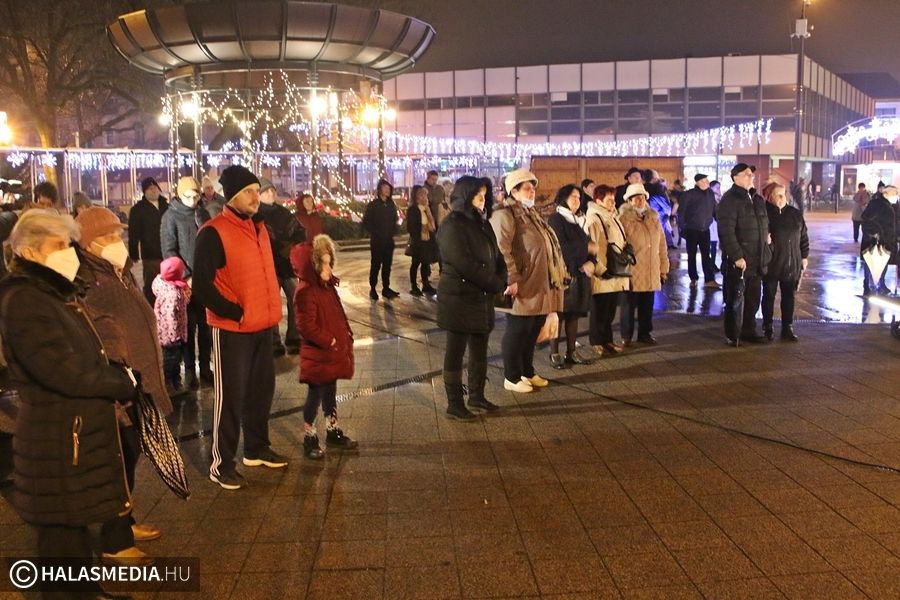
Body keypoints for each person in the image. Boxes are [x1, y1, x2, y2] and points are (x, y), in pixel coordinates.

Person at [0, 210, 140, 592]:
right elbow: (62, 370)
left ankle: (86, 590)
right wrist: (120, 382)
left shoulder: (52, 293)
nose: (68, 252)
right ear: (29, 251)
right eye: (59, 245)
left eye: (68, 243)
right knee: (60, 533)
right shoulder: (25, 301)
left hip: (69, 431)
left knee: (73, 526)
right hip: (55, 436)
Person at [76, 206, 171, 566]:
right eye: (109, 236)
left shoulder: (119, 272)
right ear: (89, 243)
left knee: (129, 456)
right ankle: (114, 540)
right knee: (116, 459)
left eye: (118, 233)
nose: (118, 240)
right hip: (117, 384)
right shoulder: (88, 279)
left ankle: (126, 522)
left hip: (137, 381)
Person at [193, 165, 287, 490]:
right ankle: (221, 464)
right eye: (249, 191)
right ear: (232, 195)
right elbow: (201, 286)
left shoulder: (259, 228)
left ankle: (257, 448)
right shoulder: (213, 232)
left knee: (261, 392)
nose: (255, 197)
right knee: (230, 397)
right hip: (233, 329)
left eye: (257, 191)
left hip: (262, 325)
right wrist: (234, 312)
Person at [436, 176, 507, 420]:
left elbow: (497, 255)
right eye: (478, 195)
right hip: (459, 297)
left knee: (479, 349)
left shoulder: (482, 223)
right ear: (466, 195)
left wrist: (502, 277)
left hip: (481, 298)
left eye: (485, 195)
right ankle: (455, 403)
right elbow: (463, 263)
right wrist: (494, 282)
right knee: (455, 351)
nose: (483, 199)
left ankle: (477, 395)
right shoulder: (452, 225)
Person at [491, 168, 566, 394]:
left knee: (532, 329)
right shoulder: (505, 214)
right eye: (526, 188)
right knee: (518, 329)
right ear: (513, 191)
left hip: (540, 281)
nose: (532, 192)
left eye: (533, 188)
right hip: (523, 282)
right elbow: (501, 248)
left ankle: (527, 371)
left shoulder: (531, 213)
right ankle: (511, 376)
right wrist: (512, 277)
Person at [291, 234, 357, 459]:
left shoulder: (326, 287)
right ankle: (309, 436)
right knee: (315, 396)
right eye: (325, 264)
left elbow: (338, 313)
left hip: (331, 354)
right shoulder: (306, 291)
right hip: (318, 355)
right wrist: (329, 340)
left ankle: (332, 429)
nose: (329, 269)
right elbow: (305, 325)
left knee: (330, 392)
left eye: (330, 263)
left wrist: (346, 333)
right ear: (313, 267)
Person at [161, 176, 213, 389]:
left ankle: (206, 367)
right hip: (186, 283)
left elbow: (211, 242)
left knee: (206, 326)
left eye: (195, 196)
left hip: (206, 279)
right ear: (179, 195)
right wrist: (185, 276)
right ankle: (190, 370)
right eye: (188, 197)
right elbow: (169, 250)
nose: (192, 201)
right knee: (188, 328)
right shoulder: (170, 217)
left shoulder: (202, 213)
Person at [718, 163, 772, 345]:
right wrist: (736, 256)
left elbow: (764, 223)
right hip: (740, 260)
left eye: (751, 174)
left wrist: (767, 241)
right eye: (747, 174)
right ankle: (733, 334)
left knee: (753, 298)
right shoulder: (730, 200)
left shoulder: (756, 199)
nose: (751, 177)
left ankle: (749, 330)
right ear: (736, 178)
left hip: (757, 258)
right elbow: (726, 232)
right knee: (735, 298)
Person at [547, 184, 595, 368]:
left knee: (574, 315)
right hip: (564, 274)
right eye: (573, 197)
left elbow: (592, 246)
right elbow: (561, 247)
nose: (577, 200)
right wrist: (586, 250)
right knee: (559, 314)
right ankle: (554, 353)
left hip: (581, 274)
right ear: (564, 198)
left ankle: (571, 352)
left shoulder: (580, 220)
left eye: (579, 197)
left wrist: (592, 261)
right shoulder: (556, 219)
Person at [258, 177, 306, 356]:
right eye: (266, 191)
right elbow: (262, 239)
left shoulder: (284, 213)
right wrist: (280, 248)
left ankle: (294, 337)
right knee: (272, 304)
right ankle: (273, 341)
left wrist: (291, 245)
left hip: (288, 265)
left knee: (296, 301)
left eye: (272, 190)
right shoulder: (256, 215)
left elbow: (300, 231)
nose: (271, 193)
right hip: (269, 265)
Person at [618, 184, 669, 345]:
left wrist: (663, 268)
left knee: (647, 305)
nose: (640, 200)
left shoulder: (653, 218)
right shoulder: (623, 219)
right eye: (636, 198)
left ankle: (645, 333)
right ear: (629, 201)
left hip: (651, 269)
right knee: (628, 306)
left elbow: (662, 245)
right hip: (632, 269)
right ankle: (626, 336)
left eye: (642, 197)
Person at [761, 183, 809, 342]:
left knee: (789, 297)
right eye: (779, 195)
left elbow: (803, 237)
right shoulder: (764, 214)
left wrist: (804, 256)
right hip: (772, 263)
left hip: (791, 263)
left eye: (784, 194)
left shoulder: (794, 214)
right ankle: (767, 326)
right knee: (769, 296)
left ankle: (787, 327)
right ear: (770, 197)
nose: (783, 198)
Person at [586, 184, 630, 356]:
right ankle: (596, 342)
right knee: (599, 309)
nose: (613, 203)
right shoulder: (594, 219)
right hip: (603, 272)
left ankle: (607, 340)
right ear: (598, 201)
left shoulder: (613, 217)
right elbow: (591, 248)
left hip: (615, 270)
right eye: (609, 200)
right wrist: (600, 269)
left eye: (613, 199)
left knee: (610, 310)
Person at [153, 257, 192, 395]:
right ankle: (169, 386)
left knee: (173, 360)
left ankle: (176, 383)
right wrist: (174, 335)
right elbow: (171, 316)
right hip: (172, 336)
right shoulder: (173, 294)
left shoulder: (163, 285)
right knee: (171, 361)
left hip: (165, 334)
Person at [128, 176, 169, 304]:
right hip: (150, 254)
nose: (153, 190)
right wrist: (134, 253)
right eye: (150, 188)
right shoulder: (138, 209)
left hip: (168, 252)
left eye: (155, 187)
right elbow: (133, 233)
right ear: (145, 192)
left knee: (168, 283)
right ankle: (151, 308)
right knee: (151, 284)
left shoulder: (167, 206)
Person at [678, 174, 720, 289]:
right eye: (704, 180)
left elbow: (714, 209)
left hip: (705, 229)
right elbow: (681, 212)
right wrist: (683, 228)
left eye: (707, 180)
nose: (707, 182)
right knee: (691, 255)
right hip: (691, 229)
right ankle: (693, 278)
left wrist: (719, 221)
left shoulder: (710, 194)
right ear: (698, 182)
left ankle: (709, 279)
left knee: (706, 255)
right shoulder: (689, 194)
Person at [362, 179, 400, 300]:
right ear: (380, 190)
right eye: (385, 188)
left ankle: (386, 288)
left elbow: (395, 219)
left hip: (388, 240)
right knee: (376, 264)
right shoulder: (373, 205)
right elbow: (366, 222)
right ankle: (373, 288)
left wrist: (393, 230)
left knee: (387, 265)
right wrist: (376, 232)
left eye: (388, 188)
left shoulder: (391, 205)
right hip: (377, 241)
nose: (387, 190)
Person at [860, 185, 899, 295]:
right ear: (887, 194)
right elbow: (866, 219)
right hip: (875, 240)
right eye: (895, 194)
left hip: (886, 239)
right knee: (871, 263)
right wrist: (875, 233)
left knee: (883, 263)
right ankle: (868, 285)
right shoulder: (877, 204)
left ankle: (880, 284)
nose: (896, 197)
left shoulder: (889, 205)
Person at [406, 184, 438, 296]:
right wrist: (420, 232)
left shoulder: (427, 209)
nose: (424, 197)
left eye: (425, 195)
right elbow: (411, 227)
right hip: (417, 241)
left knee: (425, 263)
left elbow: (433, 224)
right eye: (421, 195)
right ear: (416, 197)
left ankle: (426, 284)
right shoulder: (413, 210)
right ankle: (414, 286)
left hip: (428, 240)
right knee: (415, 263)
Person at [709, 180, 722, 271]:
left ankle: (712, 264)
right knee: (712, 247)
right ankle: (711, 265)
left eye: (719, 188)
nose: (719, 190)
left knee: (713, 247)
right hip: (711, 225)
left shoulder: (717, 198)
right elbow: (715, 213)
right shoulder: (710, 199)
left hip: (714, 226)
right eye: (717, 188)